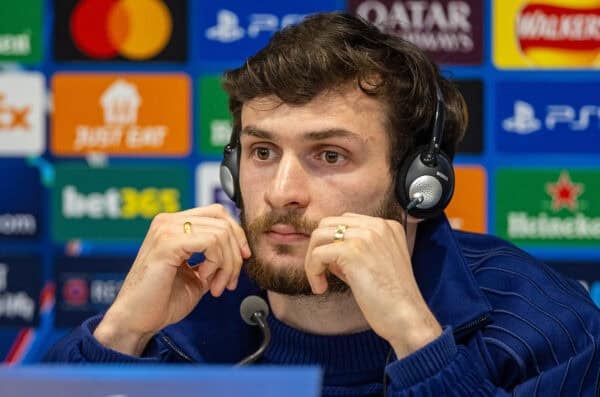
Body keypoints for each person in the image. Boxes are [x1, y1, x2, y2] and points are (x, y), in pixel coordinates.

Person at [45, 12, 600, 396]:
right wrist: (118, 336)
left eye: (329, 155)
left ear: (418, 184)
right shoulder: (180, 316)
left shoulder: (545, 329)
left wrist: (417, 341)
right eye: (262, 151)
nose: (284, 190)